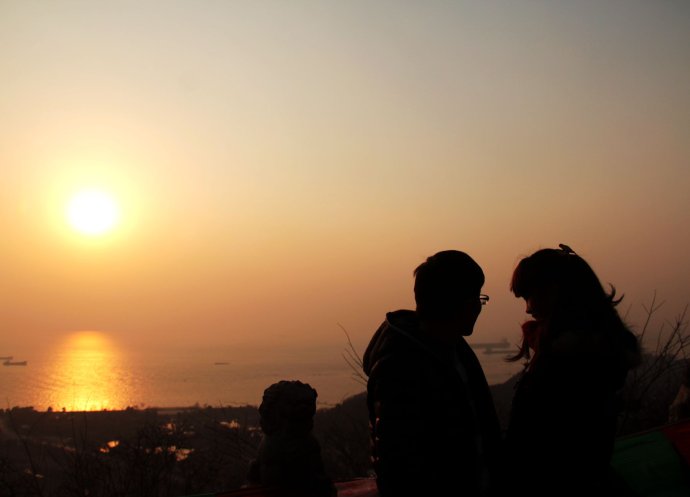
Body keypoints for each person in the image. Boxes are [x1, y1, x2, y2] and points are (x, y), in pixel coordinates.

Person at [362, 250, 502, 497]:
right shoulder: (400, 364)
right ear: (451, 302)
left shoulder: (456, 350)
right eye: (474, 298)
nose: (477, 308)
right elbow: (398, 461)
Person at [505, 244, 641, 496]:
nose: (528, 308)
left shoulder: (566, 365)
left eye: (529, 296)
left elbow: (538, 445)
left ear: (554, 293)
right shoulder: (599, 354)